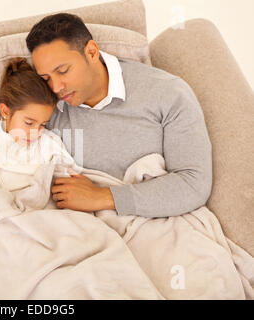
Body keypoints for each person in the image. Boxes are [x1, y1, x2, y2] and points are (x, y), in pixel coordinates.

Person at [26, 13, 212, 217]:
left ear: (92, 52)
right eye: (45, 78)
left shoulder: (168, 93)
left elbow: (193, 183)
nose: (55, 87)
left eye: (63, 70)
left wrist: (102, 197)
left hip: (157, 222)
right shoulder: (47, 107)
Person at [0, 57, 82, 197]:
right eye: (29, 123)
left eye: (43, 124)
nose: (36, 133)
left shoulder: (49, 142)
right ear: (5, 112)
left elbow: (74, 183)